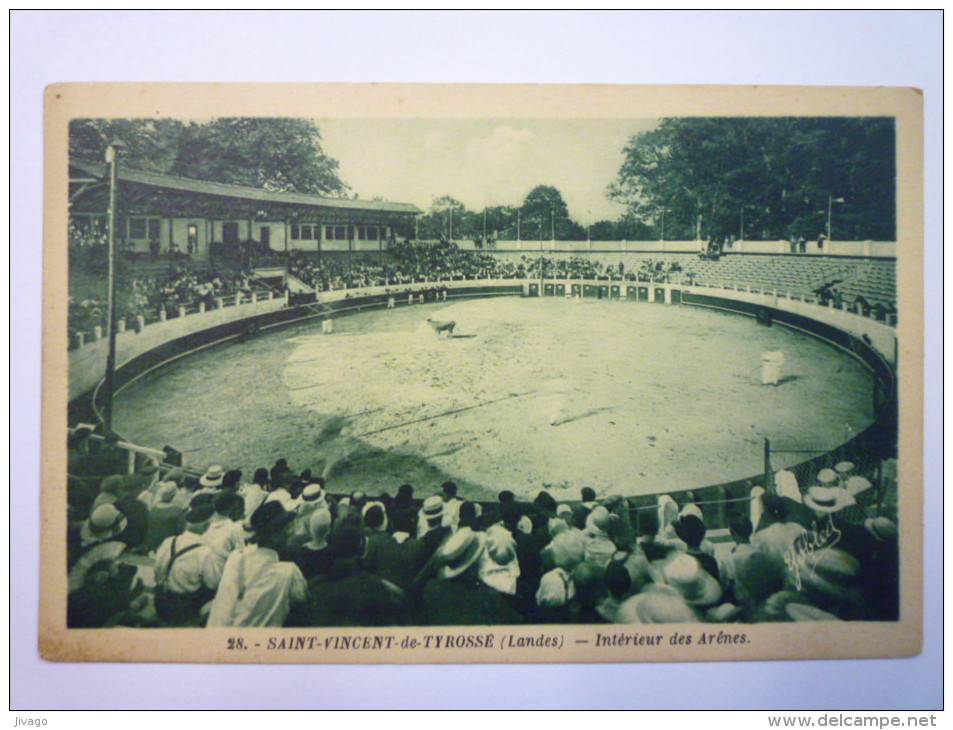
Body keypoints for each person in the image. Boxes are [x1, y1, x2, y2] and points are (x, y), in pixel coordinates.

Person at [207, 501, 307, 627]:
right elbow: (301, 598)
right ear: (275, 537)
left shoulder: (236, 556)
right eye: (286, 528)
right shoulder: (289, 571)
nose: (291, 533)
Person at [153, 504, 222, 627]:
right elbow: (213, 583)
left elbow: (157, 569)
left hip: (159, 600)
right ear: (207, 527)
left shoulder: (169, 541)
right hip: (182, 608)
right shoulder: (204, 551)